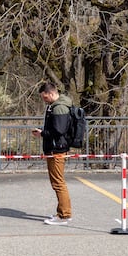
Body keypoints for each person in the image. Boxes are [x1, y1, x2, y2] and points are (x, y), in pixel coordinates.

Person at [31, 81, 73, 225]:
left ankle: (64, 215)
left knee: (58, 183)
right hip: (56, 148)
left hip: (57, 149)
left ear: (51, 93)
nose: (44, 100)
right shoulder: (57, 106)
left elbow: (58, 130)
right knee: (58, 182)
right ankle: (62, 211)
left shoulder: (59, 108)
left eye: (45, 97)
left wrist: (42, 133)